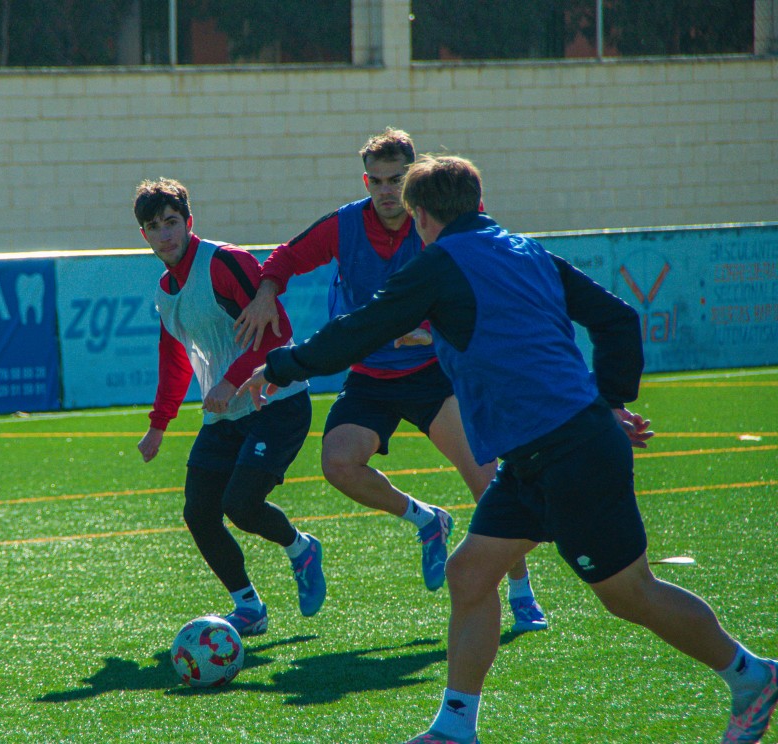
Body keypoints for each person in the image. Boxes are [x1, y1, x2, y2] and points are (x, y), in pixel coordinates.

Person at [240, 155, 777, 743]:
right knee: (470, 574)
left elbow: (362, 327)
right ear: (477, 202)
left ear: (420, 215)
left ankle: (752, 676)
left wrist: (280, 368)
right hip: (539, 455)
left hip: (568, 452)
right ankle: (454, 728)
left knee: (631, 596)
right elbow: (618, 320)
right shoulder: (525, 248)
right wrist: (613, 400)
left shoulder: (440, 263)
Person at [233, 128, 546, 632]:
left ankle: (521, 592)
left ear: (414, 176)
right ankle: (427, 520)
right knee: (337, 463)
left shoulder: (442, 222)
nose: (386, 191)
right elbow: (287, 258)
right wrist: (268, 290)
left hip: (433, 376)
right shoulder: (344, 224)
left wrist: (434, 332)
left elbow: (483, 283)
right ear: (365, 181)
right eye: (376, 181)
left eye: (397, 179)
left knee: (487, 483)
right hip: (371, 376)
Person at [133, 177, 326, 638]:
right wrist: (159, 425)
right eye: (155, 226)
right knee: (199, 513)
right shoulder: (165, 290)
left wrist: (229, 381)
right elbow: (175, 360)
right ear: (143, 235)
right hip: (224, 417)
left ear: (189, 222)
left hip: (276, 402)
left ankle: (301, 549)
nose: (166, 234)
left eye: (172, 222)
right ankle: (249, 607)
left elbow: (278, 334)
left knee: (241, 505)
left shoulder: (224, 262)